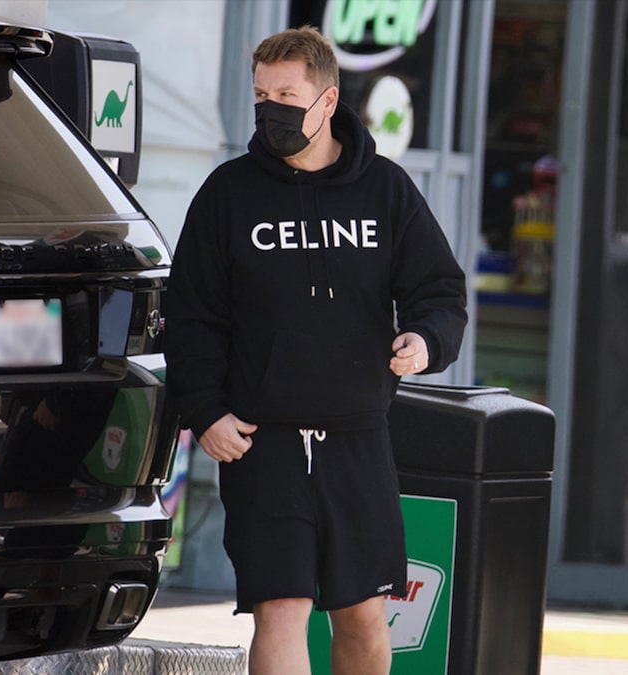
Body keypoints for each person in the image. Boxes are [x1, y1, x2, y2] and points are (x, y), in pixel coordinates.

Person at [164, 25, 467, 675]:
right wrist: (205, 410)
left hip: (359, 437)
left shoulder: (385, 189)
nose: (270, 109)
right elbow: (190, 315)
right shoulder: (227, 194)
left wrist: (426, 339)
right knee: (281, 607)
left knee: (362, 613)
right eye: (261, 95)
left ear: (328, 102)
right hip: (261, 441)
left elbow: (439, 289)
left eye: (287, 96)